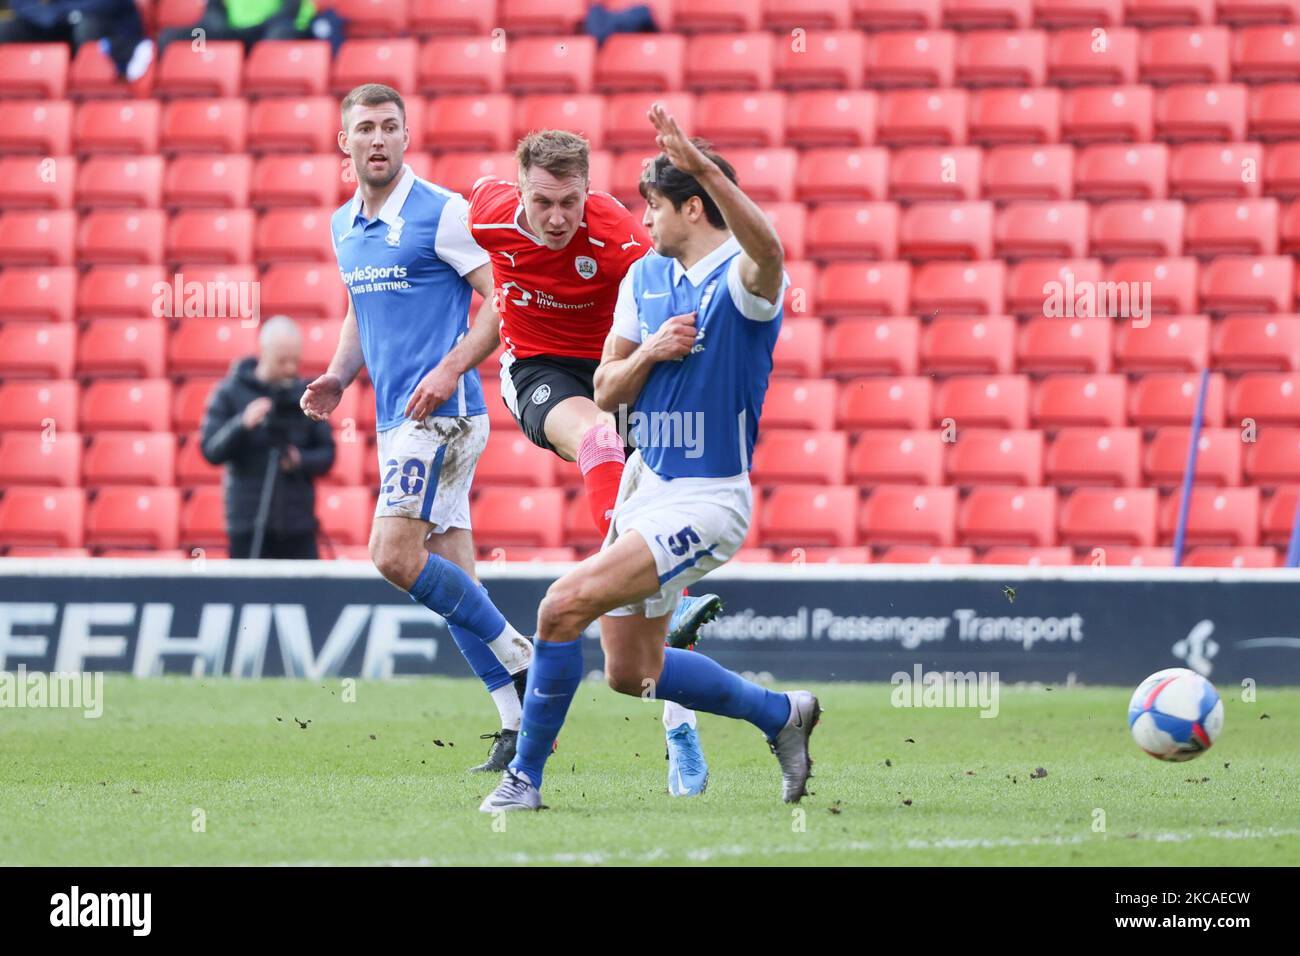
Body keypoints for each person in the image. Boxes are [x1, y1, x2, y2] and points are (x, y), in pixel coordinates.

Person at [479, 105, 819, 814]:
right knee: (632, 674)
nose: (645, 223)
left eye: (656, 208)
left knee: (561, 604)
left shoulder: (742, 283)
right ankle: (782, 715)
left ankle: (525, 780)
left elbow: (772, 252)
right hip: (646, 485)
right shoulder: (646, 281)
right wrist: (652, 352)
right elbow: (603, 388)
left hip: (707, 498)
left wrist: (700, 166)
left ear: (692, 206)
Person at [465, 128, 721, 796]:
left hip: (617, 371)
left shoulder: (618, 236)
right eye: (543, 201)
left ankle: (679, 726)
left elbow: (682, 284)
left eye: (569, 203)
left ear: (588, 192)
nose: (557, 218)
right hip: (541, 371)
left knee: (660, 566)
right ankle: (627, 572)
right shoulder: (485, 213)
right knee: (600, 443)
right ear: (519, 188)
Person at [302, 83, 535, 774]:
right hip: (394, 422)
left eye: (390, 127)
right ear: (344, 143)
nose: (378, 138)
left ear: (407, 137)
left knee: (392, 556)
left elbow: (506, 300)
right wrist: (339, 376)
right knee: (456, 579)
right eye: (365, 128)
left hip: (443, 417)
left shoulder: (443, 213)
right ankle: (518, 725)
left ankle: (527, 659)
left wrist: (451, 365)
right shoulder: (345, 225)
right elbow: (358, 310)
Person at [200, 316, 335, 559]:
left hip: (298, 523)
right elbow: (211, 450)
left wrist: (300, 459)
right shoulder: (230, 392)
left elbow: (328, 454)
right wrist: (242, 424)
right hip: (247, 522)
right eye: (282, 361)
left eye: (295, 360)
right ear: (264, 353)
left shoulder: (305, 395)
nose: (290, 369)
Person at [0, 1, 152, 81]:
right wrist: (50, 16)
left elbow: (109, 4)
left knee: (86, 28)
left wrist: (64, 13)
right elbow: (21, 3)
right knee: (7, 30)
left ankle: (90, 87)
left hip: (106, 24)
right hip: (59, 22)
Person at [158, 0, 316, 52]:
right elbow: (214, 11)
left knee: (277, 37)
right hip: (233, 33)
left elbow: (291, 11)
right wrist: (221, 31)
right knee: (171, 38)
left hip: (269, 31)